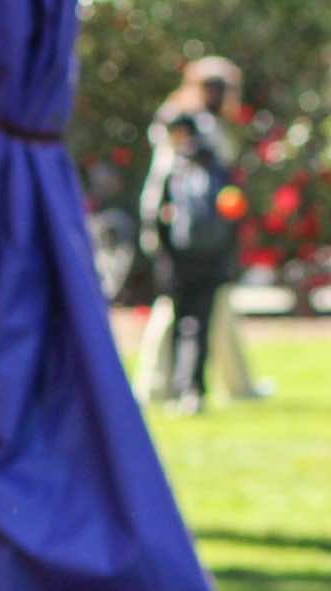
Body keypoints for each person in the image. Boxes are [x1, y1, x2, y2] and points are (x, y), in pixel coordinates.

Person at [136, 54, 265, 405]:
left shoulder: (208, 123)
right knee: (176, 311)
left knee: (212, 311)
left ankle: (233, 385)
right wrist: (156, 227)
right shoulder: (183, 122)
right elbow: (165, 181)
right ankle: (157, 385)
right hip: (182, 230)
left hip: (202, 231)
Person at [152, 113, 236, 414]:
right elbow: (233, 219)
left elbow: (157, 218)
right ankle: (194, 389)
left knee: (181, 325)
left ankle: (179, 389)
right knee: (200, 325)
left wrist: (162, 258)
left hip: (180, 261)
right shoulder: (219, 170)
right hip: (211, 261)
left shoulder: (174, 168)